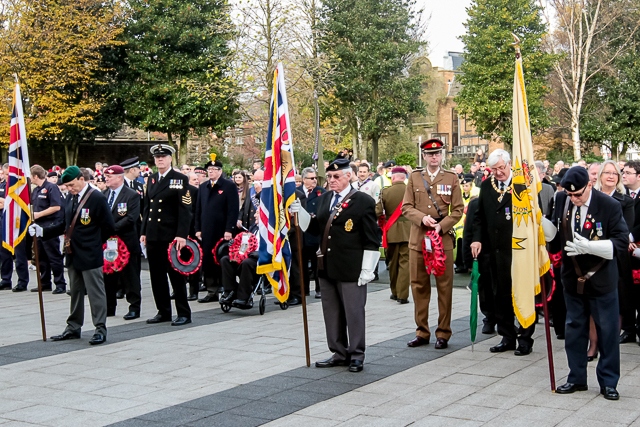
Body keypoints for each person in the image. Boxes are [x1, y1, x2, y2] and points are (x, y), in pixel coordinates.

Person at [550, 167, 628, 400]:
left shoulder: (608, 205)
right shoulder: (563, 200)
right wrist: (546, 233)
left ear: (590, 185)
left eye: (579, 195)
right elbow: (557, 241)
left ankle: (608, 382)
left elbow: (621, 242)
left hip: (601, 279)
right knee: (574, 329)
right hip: (572, 278)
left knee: (608, 332)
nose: (574, 199)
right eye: (570, 195)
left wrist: (592, 247)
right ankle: (576, 377)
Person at [30, 166, 115, 345]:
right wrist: (43, 232)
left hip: (90, 254)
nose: (69, 188)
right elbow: (64, 224)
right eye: (66, 186)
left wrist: (93, 243)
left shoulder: (96, 197)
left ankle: (100, 328)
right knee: (75, 292)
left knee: (95, 293)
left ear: (81, 179)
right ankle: (73, 327)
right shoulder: (70, 197)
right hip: (72, 252)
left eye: (71, 184)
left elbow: (109, 226)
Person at [309, 158, 379, 373]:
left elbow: (372, 236)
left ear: (349, 176)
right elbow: (315, 229)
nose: (331, 180)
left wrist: (368, 268)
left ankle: (357, 354)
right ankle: (339, 352)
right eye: (329, 177)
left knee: (353, 312)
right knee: (331, 312)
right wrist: (300, 215)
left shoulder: (362, 200)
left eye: (336, 177)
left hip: (351, 266)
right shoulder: (325, 198)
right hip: (327, 264)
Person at [471, 149, 535, 356]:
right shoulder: (488, 186)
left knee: (522, 294)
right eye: (494, 169)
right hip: (495, 251)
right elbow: (479, 216)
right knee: (500, 295)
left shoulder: (521, 185)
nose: (498, 173)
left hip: (518, 250)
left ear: (509, 165)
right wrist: (477, 239)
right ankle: (507, 336)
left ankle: (525, 338)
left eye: (501, 168)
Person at [402, 139, 464, 349]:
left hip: (442, 239)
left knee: (444, 288)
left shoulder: (451, 178)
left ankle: (443, 333)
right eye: (430, 154)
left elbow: (457, 209)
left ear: (442, 155)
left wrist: (442, 225)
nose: (434, 157)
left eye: (437, 153)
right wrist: (421, 218)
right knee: (419, 286)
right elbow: (406, 207)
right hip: (419, 239)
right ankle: (422, 331)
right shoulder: (415, 177)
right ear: (424, 157)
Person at [141, 144, 193, 326]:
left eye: (163, 156)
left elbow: (185, 210)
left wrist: (182, 235)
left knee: (176, 275)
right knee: (156, 276)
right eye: (157, 157)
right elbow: (147, 207)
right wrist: (144, 232)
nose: (160, 159)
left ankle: (183, 313)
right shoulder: (152, 179)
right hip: (154, 235)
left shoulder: (179, 179)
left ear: (171, 158)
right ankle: (163, 311)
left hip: (171, 236)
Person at [594, 161, 635, 348]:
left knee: (619, 296)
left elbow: (623, 229)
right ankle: (595, 339)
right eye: (607, 173)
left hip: (616, 256)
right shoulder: (591, 198)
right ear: (600, 175)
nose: (611, 176)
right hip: (592, 255)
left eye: (615, 173)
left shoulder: (626, 201)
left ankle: (617, 333)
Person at [195, 156, 239, 303]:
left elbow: (232, 210)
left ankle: (226, 288)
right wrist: (198, 228)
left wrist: (229, 229)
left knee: (222, 259)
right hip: (207, 230)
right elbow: (198, 209)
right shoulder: (203, 187)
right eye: (209, 169)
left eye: (214, 169)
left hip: (222, 230)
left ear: (220, 171)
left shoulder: (228, 186)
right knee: (207, 260)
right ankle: (211, 290)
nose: (211, 172)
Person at [102, 165, 142, 320]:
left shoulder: (131, 195)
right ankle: (109, 306)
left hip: (126, 241)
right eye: (106, 176)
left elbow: (131, 218)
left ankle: (134, 307)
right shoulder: (103, 194)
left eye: (110, 176)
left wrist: (111, 228)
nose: (106, 179)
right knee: (108, 274)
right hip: (108, 243)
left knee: (130, 276)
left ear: (119, 177)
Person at [376, 167, 411, 304]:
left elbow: (378, 211)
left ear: (393, 177)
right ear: (404, 177)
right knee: (405, 263)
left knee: (392, 262)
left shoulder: (385, 191)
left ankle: (395, 292)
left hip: (391, 231)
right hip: (409, 231)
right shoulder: (411, 191)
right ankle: (403, 295)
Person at [30, 165, 66, 294]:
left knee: (53, 255)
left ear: (35, 176)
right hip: (38, 226)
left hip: (50, 225)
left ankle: (60, 283)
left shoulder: (51, 187)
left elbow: (56, 207)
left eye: (31, 176)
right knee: (41, 256)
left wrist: (39, 214)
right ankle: (45, 282)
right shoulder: (36, 190)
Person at [0, 163, 29, 292]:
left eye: (8, 175)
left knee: (19, 254)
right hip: (4, 223)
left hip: (17, 223)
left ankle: (22, 281)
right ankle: (6, 280)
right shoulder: (2, 186)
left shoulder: (19, 187)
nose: (6, 178)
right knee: (4, 253)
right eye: (5, 174)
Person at [298, 167, 325, 299]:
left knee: (316, 263)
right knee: (301, 263)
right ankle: (304, 289)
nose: (315, 180)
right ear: (304, 180)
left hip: (315, 233)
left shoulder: (321, 192)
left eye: (315, 178)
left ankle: (319, 288)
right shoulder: (297, 193)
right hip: (301, 233)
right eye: (311, 178)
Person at [623, 160, 640, 345]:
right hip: (624, 250)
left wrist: (631, 236)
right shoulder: (620, 196)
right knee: (626, 291)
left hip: (638, 247)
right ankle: (628, 329)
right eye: (624, 172)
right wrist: (624, 239)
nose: (624, 175)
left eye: (628, 172)